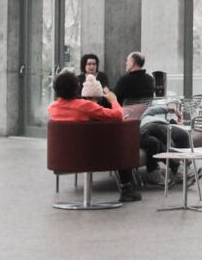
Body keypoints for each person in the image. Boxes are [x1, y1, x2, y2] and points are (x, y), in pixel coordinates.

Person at [47, 69, 141, 203]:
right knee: (120, 144)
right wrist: (114, 101)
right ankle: (127, 189)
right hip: (92, 157)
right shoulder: (86, 106)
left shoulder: (52, 108)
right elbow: (118, 116)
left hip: (63, 158)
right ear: (76, 87)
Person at [137, 101, 201, 187]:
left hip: (165, 128)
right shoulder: (146, 117)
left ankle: (183, 170)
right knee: (160, 131)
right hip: (147, 128)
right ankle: (182, 169)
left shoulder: (166, 122)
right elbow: (152, 109)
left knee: (183, 134)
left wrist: (178, 123)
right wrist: (170, 109)